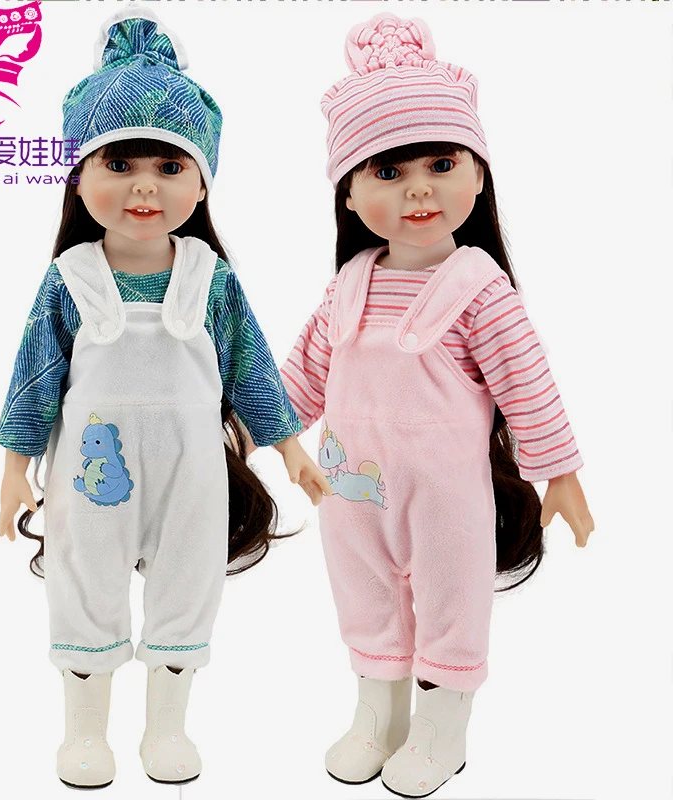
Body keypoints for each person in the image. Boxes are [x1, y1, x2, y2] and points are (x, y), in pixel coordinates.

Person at [0, 8, 329, 790]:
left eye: (170, 165)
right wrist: (14, 470)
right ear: (79, 175)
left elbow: (249, 366)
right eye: (119, 162)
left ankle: (167, 729)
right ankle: (84, 733)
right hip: (90, 475)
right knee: (84, 585)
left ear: (203, 180)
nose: (145, 184)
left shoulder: (210, 279)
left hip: (192, 472)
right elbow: (34, 377)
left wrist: (290, 448)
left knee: (187, 585)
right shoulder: (70, 280)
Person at [280, 14, 594, 798]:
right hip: (351, 492)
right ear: (350, 192)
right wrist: (248, 426)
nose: (419, 188)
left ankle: (441, 731)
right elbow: (300, 375)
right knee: (364, 598)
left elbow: (527, 382)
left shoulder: (478, 287)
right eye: (388, 171)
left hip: (447, 496)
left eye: (442, 164)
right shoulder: (349, 284)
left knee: (451, 607)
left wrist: (559, 473)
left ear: (478, 176)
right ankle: (376, 717)